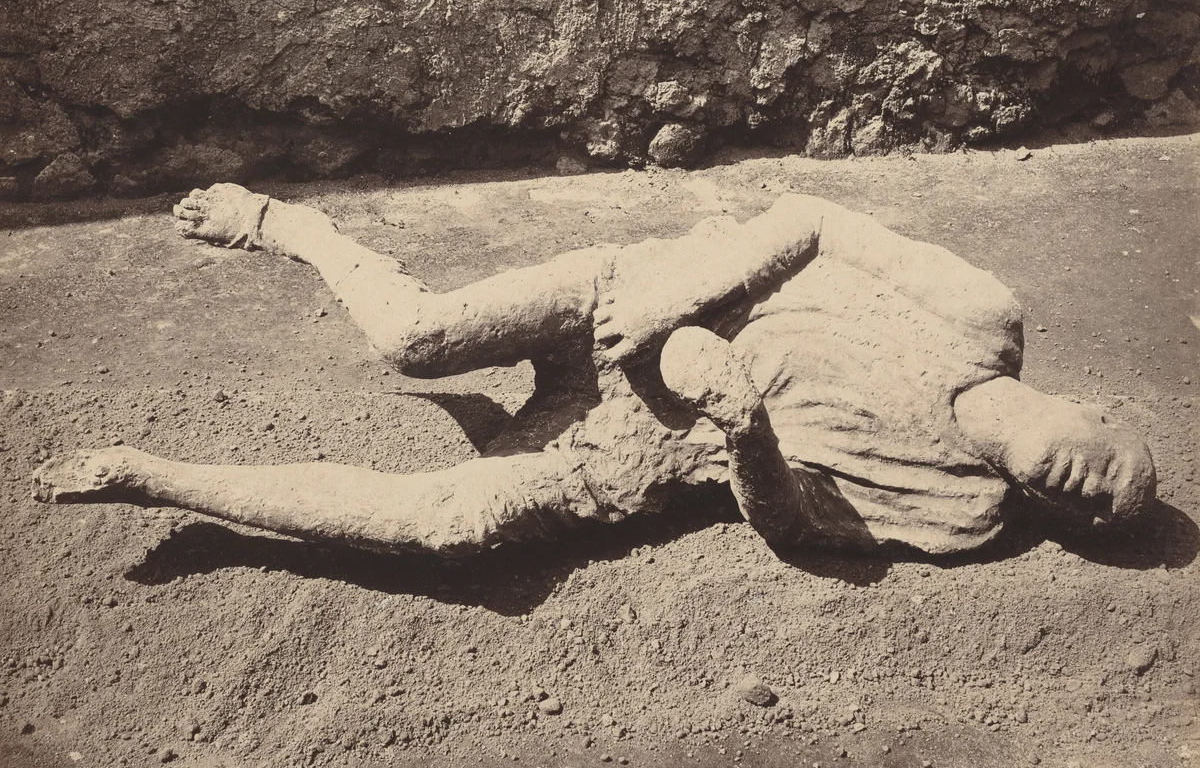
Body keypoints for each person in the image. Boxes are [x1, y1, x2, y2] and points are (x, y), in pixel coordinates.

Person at [32, 184, 1156, 557]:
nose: (1087, 489)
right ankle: (287, 224)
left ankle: (154, 479)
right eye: (1111, 469)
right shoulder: (979, 315)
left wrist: (745, 432)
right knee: (412, 340)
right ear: (1094, 411)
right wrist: (672, 300)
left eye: (1094, 513)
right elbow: (809, 219)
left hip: (655, 444)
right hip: (638, 299)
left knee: (449, 524)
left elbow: (798, 529)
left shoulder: (962, 516)